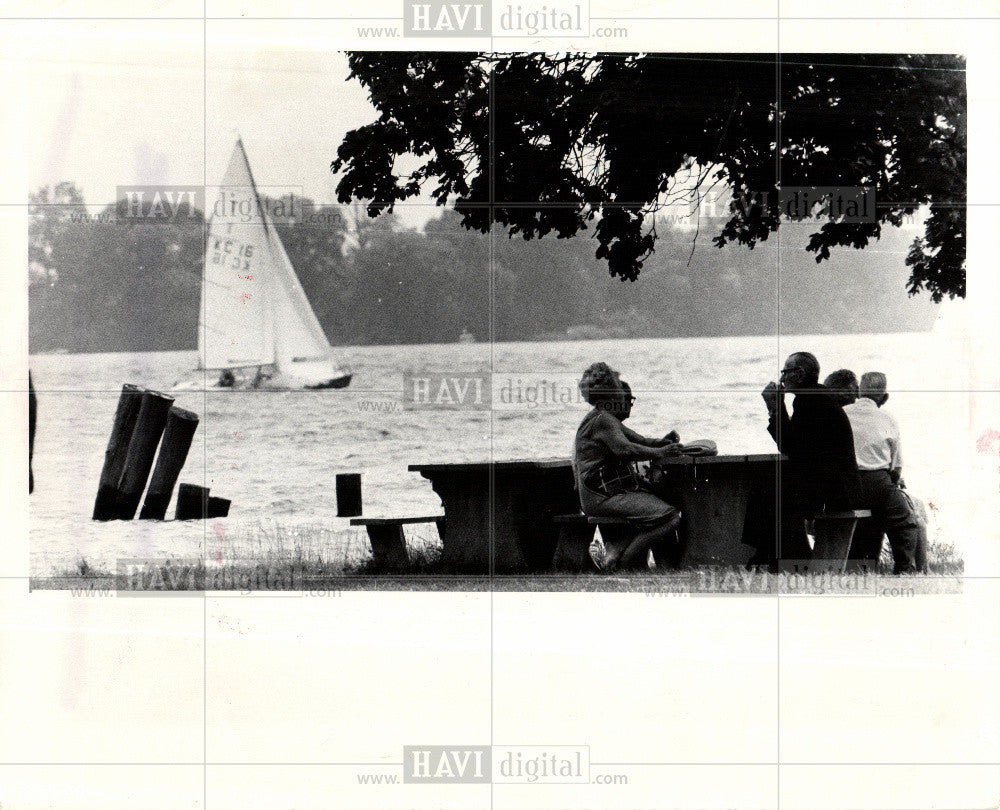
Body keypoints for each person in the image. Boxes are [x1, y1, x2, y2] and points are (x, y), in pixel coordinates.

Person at [574, 363, 683, 571]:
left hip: (598, 493)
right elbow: (625, 449)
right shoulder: (603, 420)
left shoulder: (602, 418)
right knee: (670, 517)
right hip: (600, 495)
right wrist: (661, 453)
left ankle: (617, 554)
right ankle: (626, 561)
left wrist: (663, 442)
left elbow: (640, 440)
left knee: (653, 511)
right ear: (612, 392)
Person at [761, 352, 861, 567]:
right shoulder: (817, 396)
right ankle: (783, 557)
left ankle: (787, 560)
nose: (782, 378)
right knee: (771, 490)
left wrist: (775, 408)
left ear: (799, 374)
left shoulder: (808, 401)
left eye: (785, 372)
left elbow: (791, 447)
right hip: (839, 486)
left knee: (767, 493)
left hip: (833, 491)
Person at [842, 372, 920, 574]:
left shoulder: (842, 413)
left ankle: (858, 565)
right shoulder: (888, 419)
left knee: (866, 518)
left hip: (844, 484)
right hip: (876, 481)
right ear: (884, 398)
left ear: (858, 392)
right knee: (905, 522)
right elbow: (896, 467)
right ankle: (904, 568)